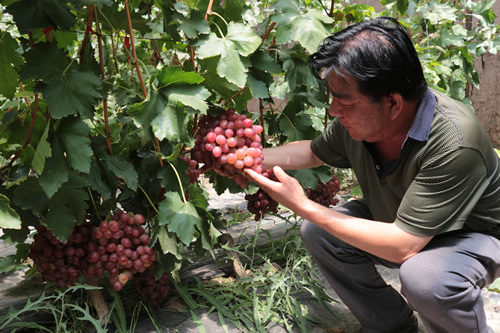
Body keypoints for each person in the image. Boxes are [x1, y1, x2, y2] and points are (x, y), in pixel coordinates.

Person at [244, 16, 500, 333]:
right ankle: (392, 326)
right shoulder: (361, 121)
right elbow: (312, 151)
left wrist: (304, 205)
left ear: (392, 103)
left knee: (425, 278)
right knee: (319, 233)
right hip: (403, 219)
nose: (334, 110)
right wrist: (251, 158)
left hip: (470, 234)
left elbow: (403, 246)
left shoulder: (456, 142)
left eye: (345, 100)